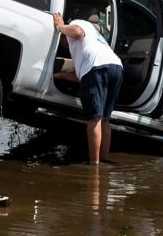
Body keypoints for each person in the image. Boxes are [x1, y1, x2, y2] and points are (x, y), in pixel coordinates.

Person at [52, 11, 124, 165]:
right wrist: (61, 76)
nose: (63, 44)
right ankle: (104, 159)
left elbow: (77, 33)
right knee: (105, 119)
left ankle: (94, 165)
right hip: (116, 67)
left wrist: (60, 26)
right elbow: (84, 77)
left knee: (94, 119)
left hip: (97, 66)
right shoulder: (94, 38)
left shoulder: (77, 24)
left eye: (62, 39)